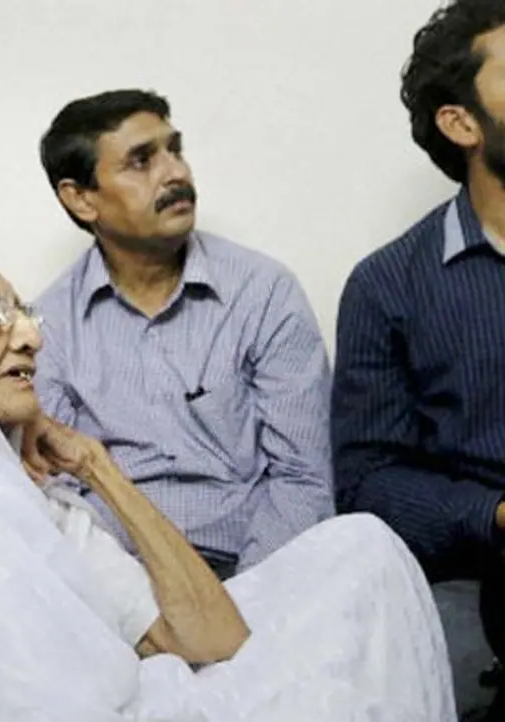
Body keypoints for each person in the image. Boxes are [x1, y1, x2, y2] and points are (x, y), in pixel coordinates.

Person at [0, 227, 455, 722]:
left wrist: (97, 465)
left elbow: (212, 640)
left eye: (20, 310)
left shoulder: (19, 486)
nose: (30, 334)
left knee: (361, 549)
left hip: (151, 701)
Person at [32, 90, 334, 577]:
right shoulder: (47, 329)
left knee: (369, 544)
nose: (175, 172)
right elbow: (58, 496)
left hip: (257, 573)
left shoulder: (263, 292)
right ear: (81, 198)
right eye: (141, 161)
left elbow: (302, 478)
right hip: (123, 586)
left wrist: (246, 604)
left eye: (175, 150)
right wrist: (141, 602)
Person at [332, 0, 505, 716]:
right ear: (461, 124)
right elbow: (367, 482)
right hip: (480, 576)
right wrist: (494, 514)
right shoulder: (388, 285)